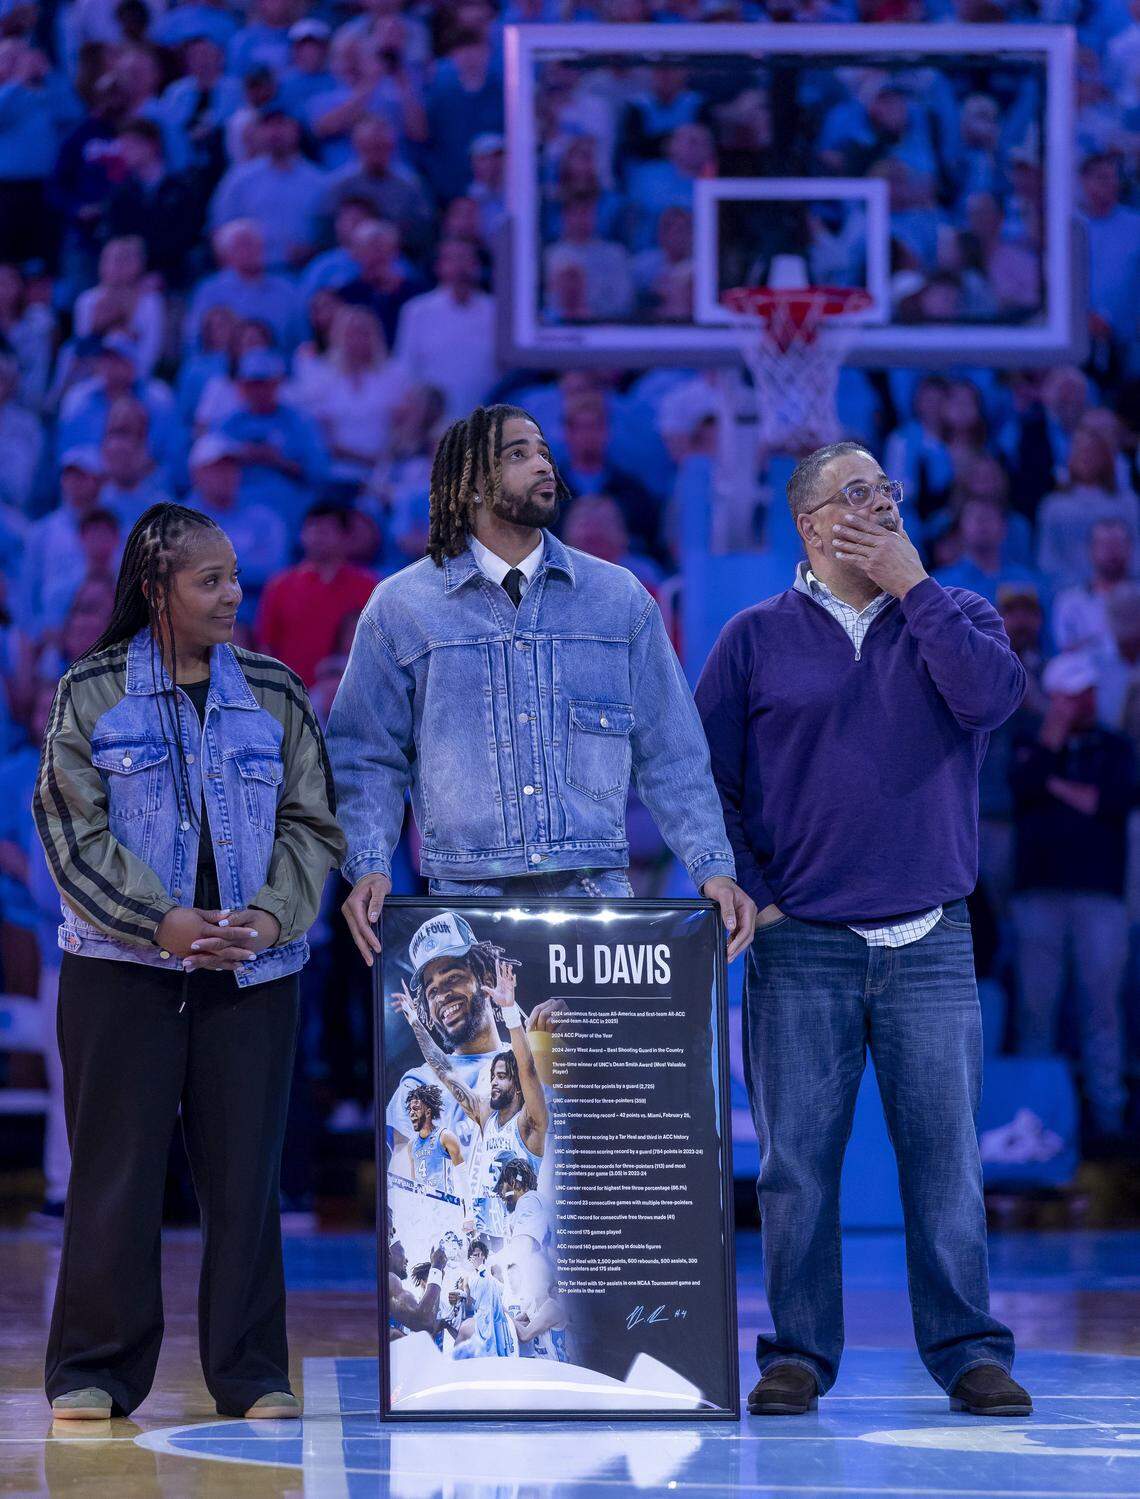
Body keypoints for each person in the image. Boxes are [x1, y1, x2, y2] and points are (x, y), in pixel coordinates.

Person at [696, 439, 1031, 1418]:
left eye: (887, 489)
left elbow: (993, 698)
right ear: (811, 524)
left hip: (930, 937)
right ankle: (799, 1352)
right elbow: (705, 781)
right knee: (796, 1167)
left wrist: (913, 584)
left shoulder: (955, 612)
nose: (883, 503)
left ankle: (968, 1350)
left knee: (947, 1163)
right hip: (801, 943)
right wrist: (754, 891)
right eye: (857, 493)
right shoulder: (753, 638)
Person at [34, 501, 344, 1422]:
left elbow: (313, 823)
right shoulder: (91, 690)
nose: (232, 595)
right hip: (120, 968)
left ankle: (251, 1371)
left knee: (247, 1181)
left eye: (235, 577)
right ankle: (94, 1368)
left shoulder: (277, 691)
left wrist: (272, 915)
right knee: (115, 1175)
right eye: (210, 581)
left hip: (253, 970)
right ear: (156, 590)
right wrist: (159, 920)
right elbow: (70, 830)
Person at [325, 403, 755, 969]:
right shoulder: (402, 605)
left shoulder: (619, 597)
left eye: (545, 453)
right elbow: (365, 756)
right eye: (518, 454)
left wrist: (712, 865)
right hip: (464, 900)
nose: (543, 465)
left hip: (596, 895)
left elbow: (671, 751)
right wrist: (368, 862)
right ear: (470, 483)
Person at [1009, 650, 1134, 1146]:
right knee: (1035, 1010)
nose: (1086, 701)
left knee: (1102, 1008)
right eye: (1075, 694)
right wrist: (1051, 744)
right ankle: (1034, 1125)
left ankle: (1109, 1117)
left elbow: (1109, 802)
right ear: (1057, 698)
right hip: (1038, 896)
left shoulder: (1115, 747)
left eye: (1089, 692)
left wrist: (1052, 784)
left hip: (1100, 897)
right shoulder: (1028, 743)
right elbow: (1021, 788)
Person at [253, 501, 378, 687]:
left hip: (348, 690)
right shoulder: (279, 586)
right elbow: (266, 646)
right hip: (290, 692)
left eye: (326, 530)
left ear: (345, 537)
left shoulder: (367, 586)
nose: (317, 537)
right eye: (311, 529)